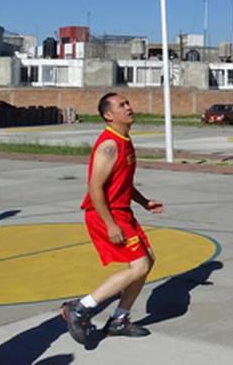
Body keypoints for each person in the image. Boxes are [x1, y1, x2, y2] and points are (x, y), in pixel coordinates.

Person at [60, 93, 164, 345]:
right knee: (138, 266)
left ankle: (119, 319)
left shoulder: (124, 139)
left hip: (122, 212)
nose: (129, 107)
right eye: (122, 105)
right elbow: (95, 188)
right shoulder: (109, 145)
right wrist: (110, 224)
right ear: (108, 115)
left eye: (128, 102)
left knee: (147, 261)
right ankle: (80, 308)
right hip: (105, 214)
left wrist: (143, 202)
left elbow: (122, 183)